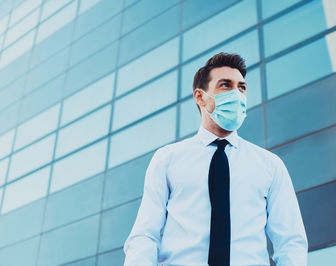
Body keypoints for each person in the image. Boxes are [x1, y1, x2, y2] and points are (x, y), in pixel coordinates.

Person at [123, 52, 308, 266]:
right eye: (225, 85)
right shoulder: (167, 159)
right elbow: (145, 235)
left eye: (242, 87)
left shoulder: (270, 165)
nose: (237, 94)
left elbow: (291, 241)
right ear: (200, 97)